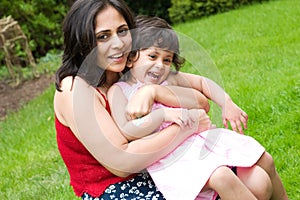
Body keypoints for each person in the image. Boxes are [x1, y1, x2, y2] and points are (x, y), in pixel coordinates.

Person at [107, 15, 289, 200]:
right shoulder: (120, 91)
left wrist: (226, 103)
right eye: (153, 56)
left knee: (264, 161)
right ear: (130, 59)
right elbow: (127, 130)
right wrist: (164, 114)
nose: (160, 65)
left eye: (167, 60)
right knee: (222, 177)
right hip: (172, 156)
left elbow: (202, 83)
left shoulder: (169, 79)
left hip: (202, 141)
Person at [54, 0, 216, 199]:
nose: (119, 43)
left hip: (158, 165)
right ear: (83, 43)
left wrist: (153, 91)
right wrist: (186, 126)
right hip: (114, 188)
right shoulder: (73, 89)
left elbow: (201, 104)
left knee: (253, 176)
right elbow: (121, 162)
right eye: (103, 36)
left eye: (122, 31)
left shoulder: (127, 70)